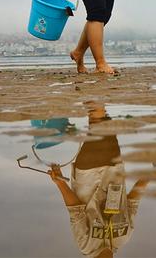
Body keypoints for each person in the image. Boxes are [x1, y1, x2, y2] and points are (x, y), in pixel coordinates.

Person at [48, 101, 149, 257]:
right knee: (103, 125)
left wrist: (60, 183)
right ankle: (93, 84)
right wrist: (150, 175)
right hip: (115, 169)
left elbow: (76, 210)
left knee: (97, 124)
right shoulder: (123, 238)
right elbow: (132, 202)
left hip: (89, 172)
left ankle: (95, 84)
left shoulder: (86, 245)